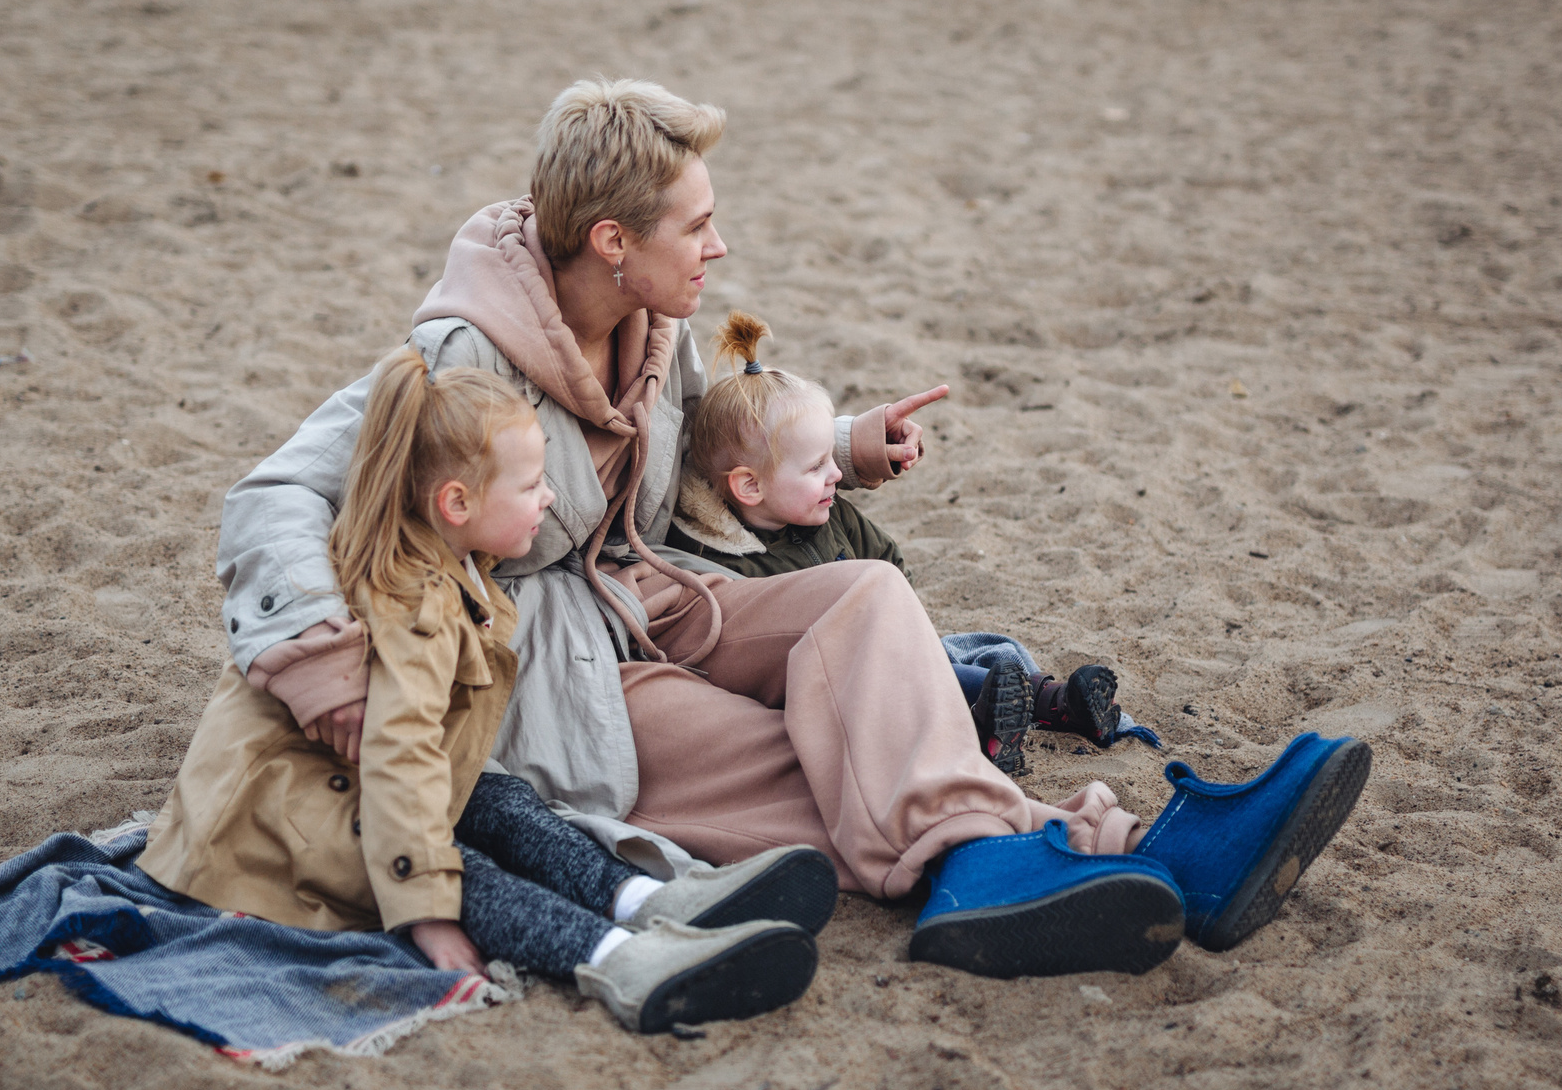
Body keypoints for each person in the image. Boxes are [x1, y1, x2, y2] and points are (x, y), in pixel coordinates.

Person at [211, 79, 1369, 976]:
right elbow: (275, 495)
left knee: (867, 600)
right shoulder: (455, 362)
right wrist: (324, 669)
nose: (718, 248)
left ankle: (1024, 862)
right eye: (697, 225)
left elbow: (711, 434)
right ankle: (1117, 860)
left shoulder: (649, 331)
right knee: (810, 760)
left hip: (652, 601)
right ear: (612, 240)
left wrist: (851, 444)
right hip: (539, 670)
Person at [139, 346, 832, 1034]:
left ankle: (646, 897)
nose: (550, 497)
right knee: (463, 868)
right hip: (274, 822)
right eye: (532, 486)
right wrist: (427, 910)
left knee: (505, 802)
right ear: (457, 502)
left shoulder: (456, 567)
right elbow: (398, 766)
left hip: (340, 782)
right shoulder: (413, 606)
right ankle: (619, 955)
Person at [666, 309, 1138, 775]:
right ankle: (987, 723)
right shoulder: (725, 567)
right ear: (749, 486)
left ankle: (1056, 702)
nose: (836, 473)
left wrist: (901, 624)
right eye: (815, 468)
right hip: (836, 681)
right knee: (906, 687)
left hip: (888, 647)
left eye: (831, 456)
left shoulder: (830, 517)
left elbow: (888, 562)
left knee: (955, 656)